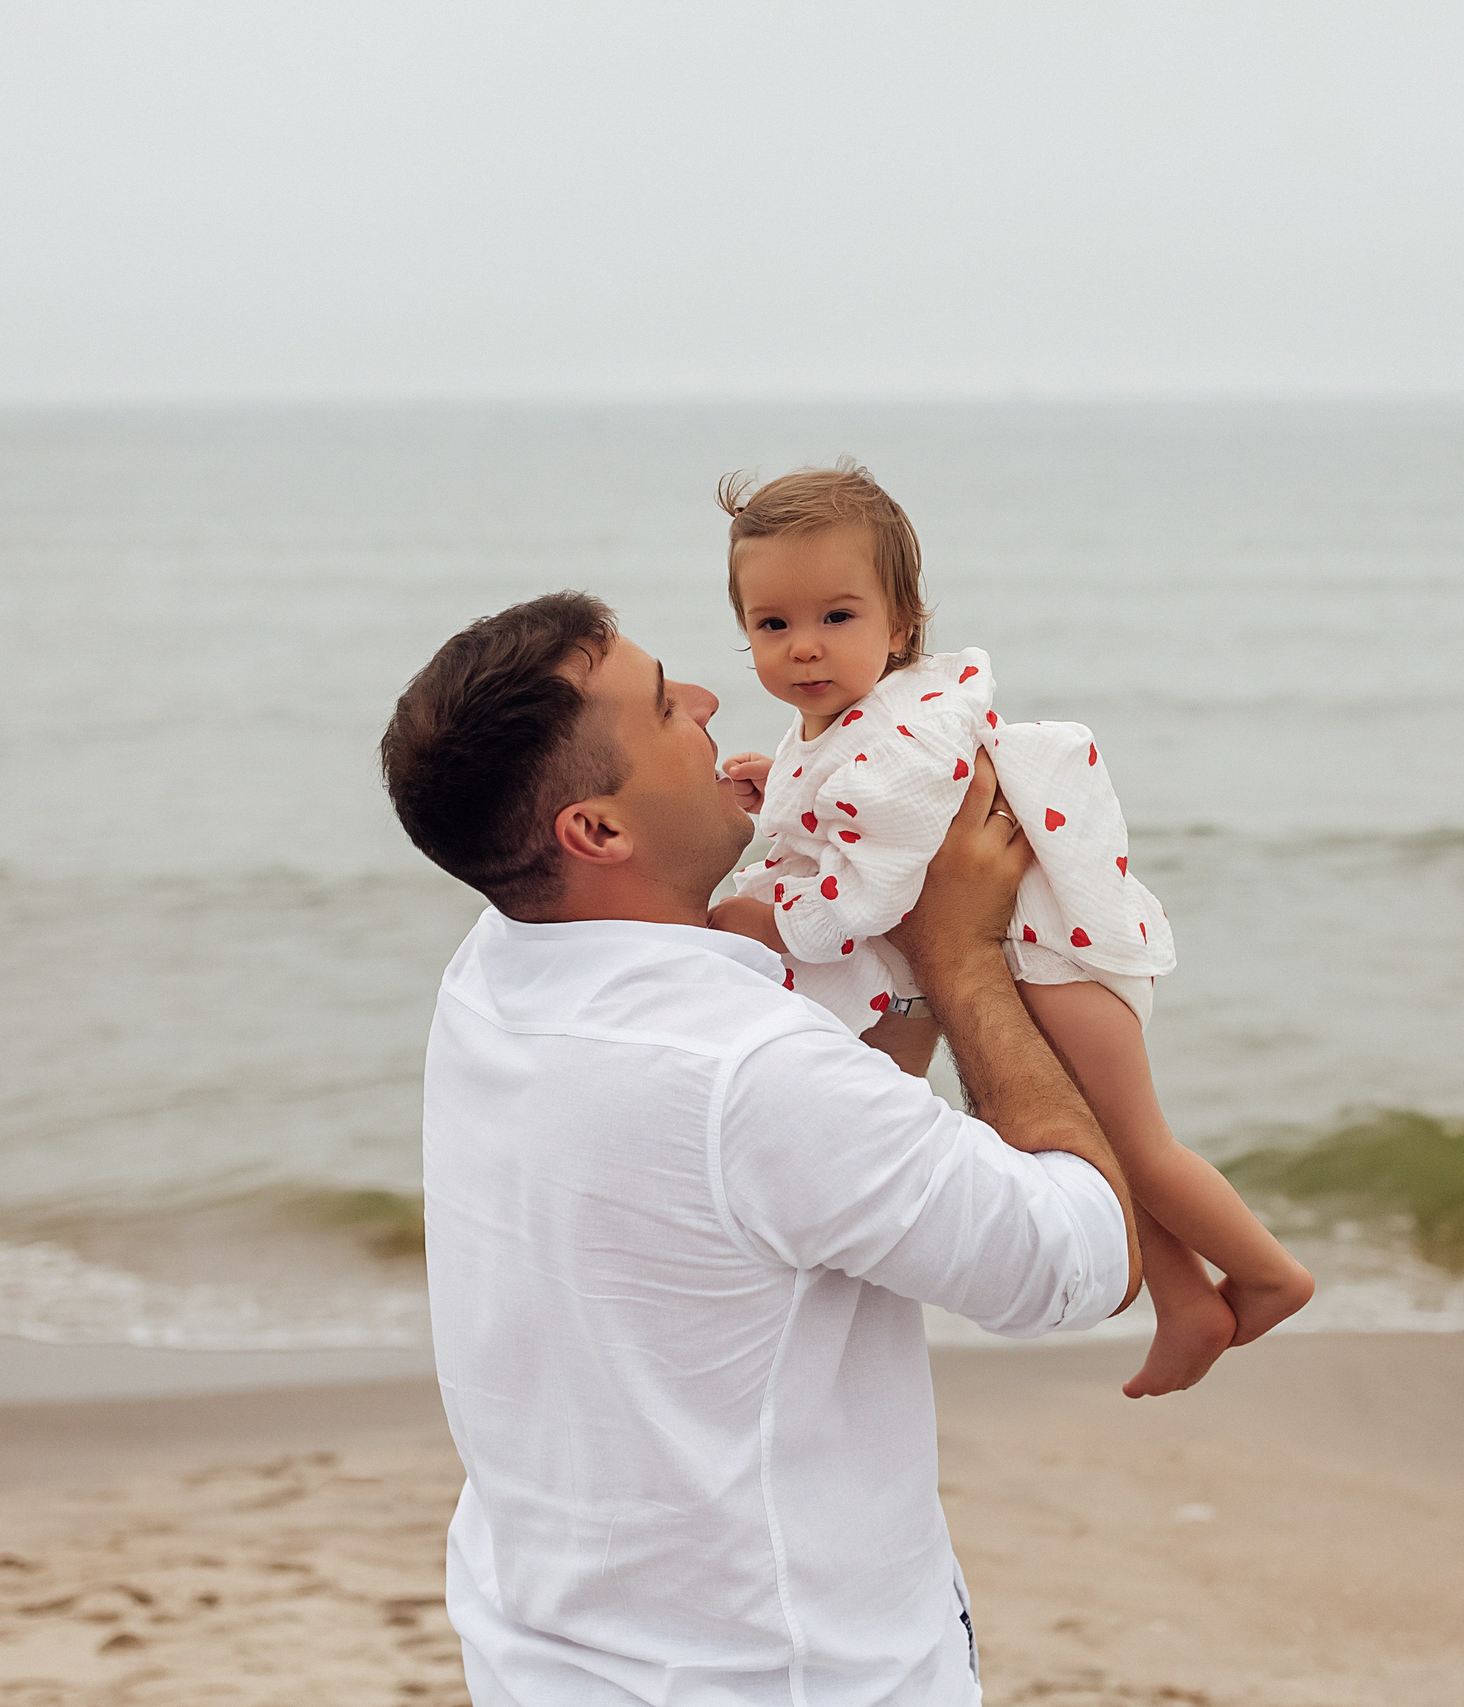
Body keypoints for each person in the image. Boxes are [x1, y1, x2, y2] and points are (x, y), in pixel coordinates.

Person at [381, 590, 1147, 1704]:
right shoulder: (745, 1074)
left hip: (543, 1655)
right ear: (595, 832)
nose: (703, 697)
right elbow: (1082, 1260)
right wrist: (962, 955)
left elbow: (825, 1169)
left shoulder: (496, 964)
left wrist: (881, 924)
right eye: (660, 706)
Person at [707, 464, 1314, 1400]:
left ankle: (1271, 1273)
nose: (804, 648)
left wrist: (772, 909)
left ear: (900, 623)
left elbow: (875, 887)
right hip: (1023, 958)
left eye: (838, 616)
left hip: (1054, 957)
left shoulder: (904, 733)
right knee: (1096, 1146)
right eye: (772, 625)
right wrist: (775, 796)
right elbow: (834, 814)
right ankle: (1188, 1302)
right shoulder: (837, 728)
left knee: (1136, 1142)